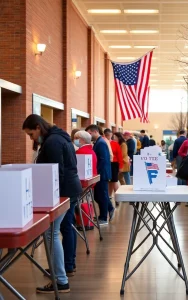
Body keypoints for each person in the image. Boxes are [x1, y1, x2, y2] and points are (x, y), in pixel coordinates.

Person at [23, 114, 83, 293]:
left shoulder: (52, 142)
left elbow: (57, 172)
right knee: (59, 231)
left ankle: (61, 280)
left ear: (38, 127)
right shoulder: (59, 137)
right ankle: (62, 270)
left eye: (30, 134)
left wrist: (53, 197)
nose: (31, 138)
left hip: (63, 192)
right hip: (69, 190)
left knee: (51, 234)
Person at [86, 125, 114, 225]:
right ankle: (110, 208)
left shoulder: (101, 143)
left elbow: (102, 160)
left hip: (102, 174)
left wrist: (97, 173)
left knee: (101, 195)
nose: (89, 135)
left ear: (95, 132)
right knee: (99, 195)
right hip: (100, 173)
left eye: (89, 133)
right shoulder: (98, 142)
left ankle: (103, 218)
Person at [104, 128, 123, 205]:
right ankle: (109, 196)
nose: (109, 136)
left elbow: (119, 155)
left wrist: (120, 166)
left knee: (114, 181)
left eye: (109, 135)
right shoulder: (104, 143)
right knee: (110, 182)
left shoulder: (115, 144)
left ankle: (117, 198)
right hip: (108, 164)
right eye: (107, 135)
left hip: (114, 164)